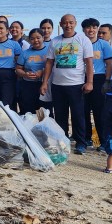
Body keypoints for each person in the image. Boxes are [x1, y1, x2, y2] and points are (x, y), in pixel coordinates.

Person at [40, 14, 94, 154]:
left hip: (76, 84)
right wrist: (45, 82)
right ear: (60, 24)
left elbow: (89, 62)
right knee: (60, 116)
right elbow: (49, 63)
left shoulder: (83, 40)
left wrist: (89, 82)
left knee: (78, 115)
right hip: (57, 85)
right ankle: (62, 141)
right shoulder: (55, 41)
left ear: (75, 23)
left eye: (71, 22)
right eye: (65, 23)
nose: (68, 25)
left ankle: (81, 143)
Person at [82, 18, 112, 148]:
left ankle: (102, 140)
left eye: (94, 27)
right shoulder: (81, 43)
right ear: (83, 29)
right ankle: (86, 138)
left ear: (97, 29)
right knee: (83, 110)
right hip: (82, 78)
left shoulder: (103, 44)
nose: (91, 30)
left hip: (99, 79)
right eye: (88, 27)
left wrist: (107, 81)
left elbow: (109, 64)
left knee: (100, 112)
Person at [16, 29, 48, 114]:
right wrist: (25, 74)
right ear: (29, 40)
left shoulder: (49, 50)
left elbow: (54, 67)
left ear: (43, 38)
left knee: (44, 111)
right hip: (28, 86)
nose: (35, 40)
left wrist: (42, 72)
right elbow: (18, 69)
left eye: (38, 38)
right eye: (32, 38)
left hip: (45, 84)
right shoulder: (25, 53)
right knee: (29, 111)